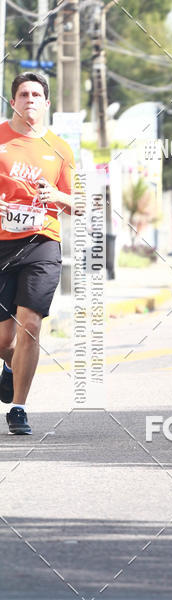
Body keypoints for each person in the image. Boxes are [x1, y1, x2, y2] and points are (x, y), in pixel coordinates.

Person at [0, 72, 75, 434]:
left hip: (42, 243)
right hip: (1, 245)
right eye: (23, 94)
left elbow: (80, 203)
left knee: (30, 325)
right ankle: (11, 366)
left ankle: (18, 408)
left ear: (46, 104)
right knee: (3, 340)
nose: (30, 99)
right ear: (13, 101)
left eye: (36, 95)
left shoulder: (60, 148)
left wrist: (59, 197)